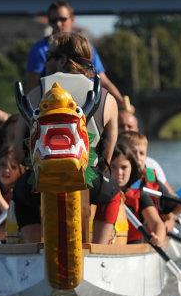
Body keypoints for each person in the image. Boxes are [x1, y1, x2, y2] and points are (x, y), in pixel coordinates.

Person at [13, 32, 121, 244]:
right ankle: (98, 249)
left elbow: (18, 152)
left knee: (20, 192)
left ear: (61, 60)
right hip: (86, 176)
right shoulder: (106, 97)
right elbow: (108, 151)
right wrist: (99, 168)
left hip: (41, 177)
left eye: (50, 58)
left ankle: (34, 249)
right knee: (113, 195)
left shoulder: (35, 93)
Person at [26, 0, 124, 106]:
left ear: (72, 19)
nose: (58, 24)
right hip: (53, 106)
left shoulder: (86, 48)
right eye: (53, 20)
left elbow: (103, 81)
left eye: (62, 19)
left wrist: (123, 105)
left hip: (86, 103)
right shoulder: (40, 50)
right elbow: (33, 87)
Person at [119, 130, 181, 233]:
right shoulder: (115, 176)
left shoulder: (152, 179)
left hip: (149, 235)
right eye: (132, 152)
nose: (138, 157)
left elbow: (175, 206)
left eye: (141, 153)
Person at [110, 142, 166, 246]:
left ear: (132, 168)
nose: (119, 172)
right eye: (113, 167)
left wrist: (158, 238)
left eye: (124, 167)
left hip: (134, 244)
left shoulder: (140, 196)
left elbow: (157, 223)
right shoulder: (98, 195)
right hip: (107, 244)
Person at [117, 99, 174, 195]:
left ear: (137, 129)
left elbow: (168, 194)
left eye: (130, 126)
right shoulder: (112, 163)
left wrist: (179, 207)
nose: (126, 130)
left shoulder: (149, 167)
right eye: (122, 126)